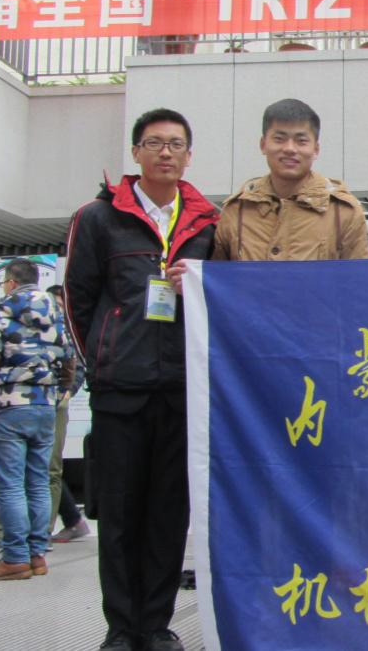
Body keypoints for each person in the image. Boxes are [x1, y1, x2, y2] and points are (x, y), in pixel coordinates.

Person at [65, 108, 218, 651]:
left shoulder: (207, 222)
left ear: (189, 155)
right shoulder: (98, 218)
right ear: (136, 153)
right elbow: (78, 299)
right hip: (120, 391)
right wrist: (102, 360)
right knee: (120, 515)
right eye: (154, 143)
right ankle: (121, 627)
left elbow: (221, 296)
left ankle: (155, 624)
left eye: (176, 144)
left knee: (168, 515)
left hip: (181, 389)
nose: (165, 153)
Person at [0, 258, 69, 583]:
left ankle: (14, 558)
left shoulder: (4, 309)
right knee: (39, 481)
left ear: (11, 282)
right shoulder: (56, 312)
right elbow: (69, 359)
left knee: (11, 485)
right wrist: (57, 393)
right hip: (45, 406)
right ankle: (37, 555)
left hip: (8, 406)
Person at [212, 98, 368, 262]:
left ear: (316, 149)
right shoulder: (237, 210)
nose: (290, 149)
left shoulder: (343, 212)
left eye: (301, 141)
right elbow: (216, 274)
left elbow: (357, 276)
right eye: (279, 139)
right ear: (263, 145)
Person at [44, 284, 90, 544]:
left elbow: (80, 365)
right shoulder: (38, 329)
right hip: (34, 404)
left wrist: (68, 392)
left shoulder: (69, 332)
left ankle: (44, 531)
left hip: (56, 406)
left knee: (50, 468)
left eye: (61, 306)